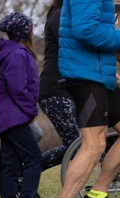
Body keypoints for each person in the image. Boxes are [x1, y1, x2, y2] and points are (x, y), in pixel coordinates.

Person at [42, 0, 120, 198]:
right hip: (85, 75)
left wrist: (116, 49)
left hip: (100, 73)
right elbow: (85, 29)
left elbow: (89, 30)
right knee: (94, 143)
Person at [0, 12, 46, 198]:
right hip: (14, 117)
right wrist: (30, 110)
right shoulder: (18, 54)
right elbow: (18, 88)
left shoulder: (14, 52)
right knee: (34, 158)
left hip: (9, 118)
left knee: (11, 165)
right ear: (26, 32)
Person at [39, 0, 81, 172]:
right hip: (55, 91)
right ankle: (28, 169)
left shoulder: (68, 17)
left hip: (67, 90)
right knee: (77, 146)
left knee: (79, 144)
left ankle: (29, 168)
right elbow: (74, 46)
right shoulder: (59, 16)